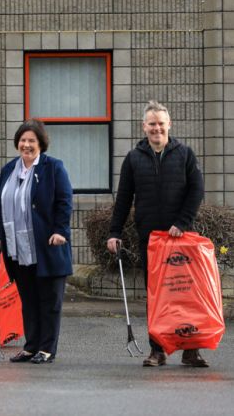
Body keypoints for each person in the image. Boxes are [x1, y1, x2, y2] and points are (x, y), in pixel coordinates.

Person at [106, 100, 205, 367]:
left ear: (169, 125)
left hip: (181, 239)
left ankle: (190, 350)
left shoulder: (185, 154)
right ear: (144, 126)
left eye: (161, 123)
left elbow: (197, 190)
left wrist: (182, 222)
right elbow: (124, 199)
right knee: (157, 296)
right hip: (151, 240)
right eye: (152, 124)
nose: (157, 128)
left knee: (185, 294)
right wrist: (114, 232)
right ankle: (157, 350)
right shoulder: (133, 158)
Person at [0, 120, 73, 364]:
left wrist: (61, 230)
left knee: (49, 301)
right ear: (18, 143)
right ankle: (31, 346)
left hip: (48, 246)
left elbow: (64, 200)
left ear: (40, 144)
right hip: (18, 248)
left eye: (31, 141)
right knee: (28, 301)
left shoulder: (53, 167)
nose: (26, 145)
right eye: (23, 140)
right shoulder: (9, 170)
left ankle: (47, 349)